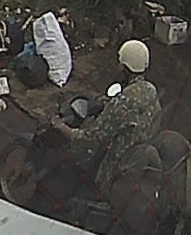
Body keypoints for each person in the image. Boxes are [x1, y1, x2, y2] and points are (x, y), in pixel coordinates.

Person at [50, 39, 162, 193]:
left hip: (114, 167)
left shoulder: (122, 103)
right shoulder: (150, 90)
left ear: (123, 67)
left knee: (73, 164)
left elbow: (90, 139)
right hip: (139, 156)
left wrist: (61, 127)